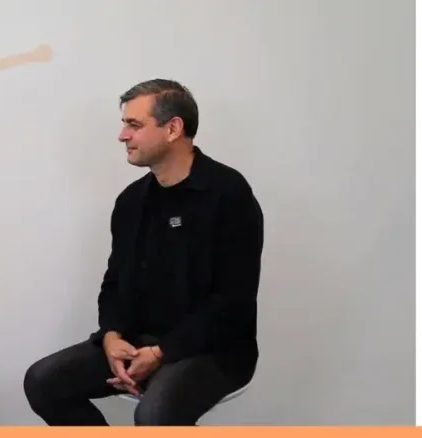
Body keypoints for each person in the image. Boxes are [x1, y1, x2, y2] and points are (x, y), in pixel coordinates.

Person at [23, 79, 264, 426]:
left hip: (213, 350)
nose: (123, 135)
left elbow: (233, 302)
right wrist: (111, 337)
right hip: (139, 342)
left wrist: (163, 353)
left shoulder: (228, 194)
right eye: (124, 124)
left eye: (134, 125)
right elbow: (115, 283)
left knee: (154, 414)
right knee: (43, 381)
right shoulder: (132, 201)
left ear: (173, 128)